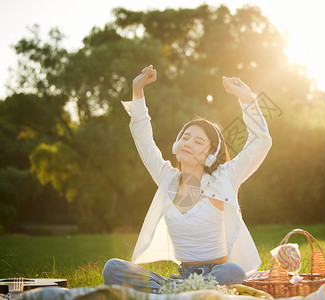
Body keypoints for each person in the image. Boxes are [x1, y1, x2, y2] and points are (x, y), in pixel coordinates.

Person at [102, 64, 272, 293]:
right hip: (179, 280)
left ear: (211, 155)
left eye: (198, 142)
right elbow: (143, 139)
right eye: (185, 137)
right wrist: (137, 90)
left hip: (216, 275)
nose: (188, 143)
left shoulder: (224, 178)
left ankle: (174, 296)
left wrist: (247, 99)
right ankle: (180, 294)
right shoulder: (167, 179)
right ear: (176, 144)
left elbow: (261, 142)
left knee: (233, 272)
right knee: (113, 268)